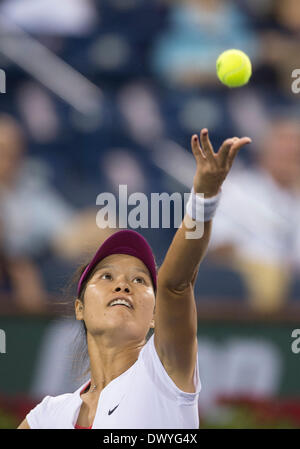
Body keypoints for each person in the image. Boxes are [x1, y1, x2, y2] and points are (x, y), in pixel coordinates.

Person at [17, 129, 251, 429]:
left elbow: (176, 284)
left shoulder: (162, 372)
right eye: (106, 275)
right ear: (79, 308)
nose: (123, 284)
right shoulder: (46, 417)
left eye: (140, 280)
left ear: (155, 315)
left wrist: (204, 197)